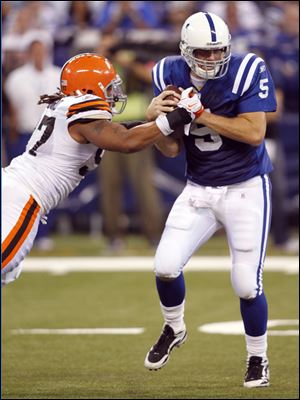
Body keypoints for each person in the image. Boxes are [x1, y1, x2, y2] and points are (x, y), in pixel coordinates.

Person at [143, 12, 277, 389]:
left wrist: (204, 114)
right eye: (205, 52)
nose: (213, 58)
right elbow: (170, 149)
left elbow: (253, 132)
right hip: (199, 187)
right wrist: (156, 122)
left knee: (247, 284)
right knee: (165, 266)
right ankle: (174, 328)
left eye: (219, 51)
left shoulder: (249, 69)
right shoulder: (167, 73)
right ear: (187, 51)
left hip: (246, 187)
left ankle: (257, 357)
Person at [1, 52, 203, 286]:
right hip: (23, 197)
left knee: (7, 273)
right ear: (89, 89)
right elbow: (126, 141)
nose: (113, 94)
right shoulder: (80, 107)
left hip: (15, 189)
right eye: (108, 87)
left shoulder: (68, 106)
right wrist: (181, 114)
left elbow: (125, 131)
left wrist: (152, 119)